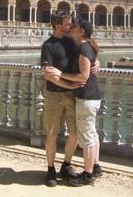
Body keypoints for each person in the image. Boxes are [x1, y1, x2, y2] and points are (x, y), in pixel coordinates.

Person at [46, 17, 103, 187]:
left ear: (81, 31)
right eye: (69, 24)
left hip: (84, 97)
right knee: (90, 133)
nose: (71, 26)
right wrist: (94, 59)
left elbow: (84, 73)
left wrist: (60, 74)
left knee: (85, 136)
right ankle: (96, 167)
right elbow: (90, 53)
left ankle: (88, 174)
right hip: (81, 95)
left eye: (74, 25)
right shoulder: (73, 44)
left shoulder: (81, 46)